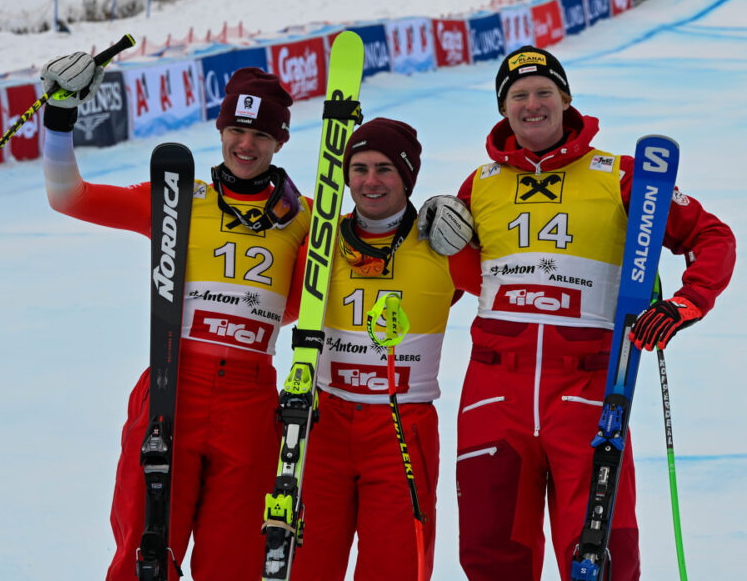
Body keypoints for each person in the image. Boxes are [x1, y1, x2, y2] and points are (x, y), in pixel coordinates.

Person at [418, 45, 736, 581]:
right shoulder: (480, 186)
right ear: (503, 108)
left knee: (600, 557)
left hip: (589, 391)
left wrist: (687, 302)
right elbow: (460, 282)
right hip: (495, 390)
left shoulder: (619, 175)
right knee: (491, 554)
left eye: (545, 92)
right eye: (518, 95)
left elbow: (711, 236)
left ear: (567, 100)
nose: (532, 104)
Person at [39, 54, 312, 581]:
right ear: (219, 130)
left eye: (259, 134)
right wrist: (59, 116)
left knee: (233, 563)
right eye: (235, 129)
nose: (245, 145)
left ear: (280, 141)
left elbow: (313, 297)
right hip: (173, 384)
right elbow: (68, 197)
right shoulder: (178, 196)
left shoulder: (303, 221)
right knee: (145, 554)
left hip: (251, 399)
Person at [289, 118, 480, 580]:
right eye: (358, 168)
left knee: (395, 565)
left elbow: (513, 289)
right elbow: (274, 310)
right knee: (307, 563)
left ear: (408, 175)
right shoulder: (322, 241)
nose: (370, 181)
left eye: (384, 169)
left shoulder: (443, 244)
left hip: (401, 424)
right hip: (324, 421)